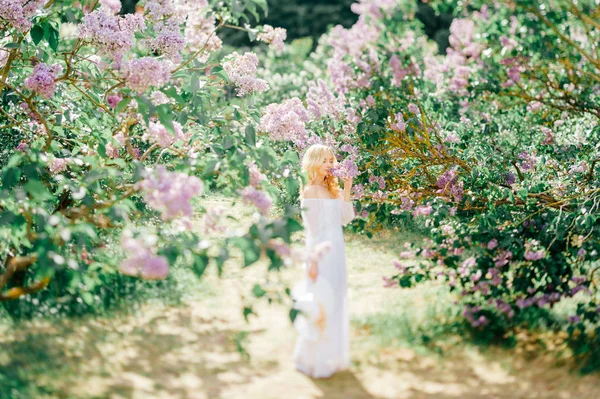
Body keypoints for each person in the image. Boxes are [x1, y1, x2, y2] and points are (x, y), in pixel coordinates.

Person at [292, 143, 355, 379]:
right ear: (314, 162)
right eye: (326, 161)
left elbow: (347, 218)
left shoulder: (333, 189)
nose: (331, 165)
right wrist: (313, 262)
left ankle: (333, 356)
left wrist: (347, 188)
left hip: (337, 251)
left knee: (337, 299)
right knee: (321, 302)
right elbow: (313, 231)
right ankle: (313, 360)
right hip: (321, 254)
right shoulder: (310, 191)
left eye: (332, 161)